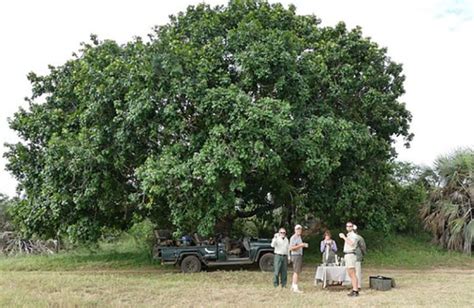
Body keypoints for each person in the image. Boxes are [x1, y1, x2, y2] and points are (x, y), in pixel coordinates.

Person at [339, 221, 360, 297]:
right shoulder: (349, 235)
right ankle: (354, 289)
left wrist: (344, 237)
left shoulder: (354, 236)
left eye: (350, 226)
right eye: (347, 226)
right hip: (347, 254)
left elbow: (351, 243)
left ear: (353, 227)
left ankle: (355, 290)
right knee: (350, 273)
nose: (348, 227)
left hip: (351, 254)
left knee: (352, 273)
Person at [289, 224, 309, 293]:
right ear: (295, 230)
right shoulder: (293, 238)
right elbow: (291, 248)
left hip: (299, 255)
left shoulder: (299, 237)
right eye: (297, 229)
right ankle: (295, 287)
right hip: (295, 256)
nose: (299, 230)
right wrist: (301, 245)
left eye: (300, 229)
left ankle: (293, 286)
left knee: (297, 271)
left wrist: (303, 245)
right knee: (296, 272)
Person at [353, 225, 366, 291]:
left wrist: (362, 253)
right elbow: (363, 248)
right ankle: (356, 285)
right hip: (355, 256)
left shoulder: (358, 238)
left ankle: (358, 286)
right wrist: (363, 254)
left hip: (356, 256)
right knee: (356, 271)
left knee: (357, 271)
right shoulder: (359, 237)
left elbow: (362, 247)